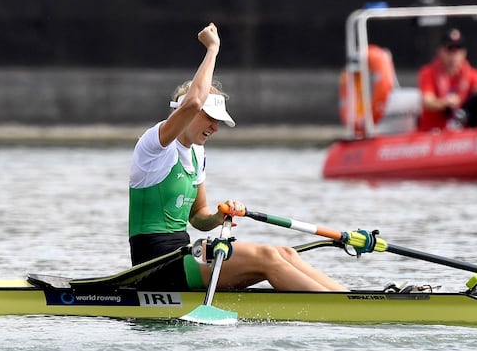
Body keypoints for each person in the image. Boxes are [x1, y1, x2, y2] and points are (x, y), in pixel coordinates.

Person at [128, 23, 347, 292]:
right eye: (211, 118)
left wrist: (220, 215)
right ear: (187, 113)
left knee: (283, 253)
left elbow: (198, 217)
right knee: (268, 259)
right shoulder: (155, 145)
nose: (216, 127)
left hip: (182, 256)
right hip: (153, 267)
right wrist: (213, 48)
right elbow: (194, 101)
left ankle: (347, 298)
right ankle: (341, 310)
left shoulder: (197, 153)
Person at [416, 28, 477, 131]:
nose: (454, 55)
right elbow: (427, 101)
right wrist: (444, 103)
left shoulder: (474, 75)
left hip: (462, 135)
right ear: (440, 51)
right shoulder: (428, 73)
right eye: (449, 50)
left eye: (458, 50)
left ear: (464, 53)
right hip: (433, 133)